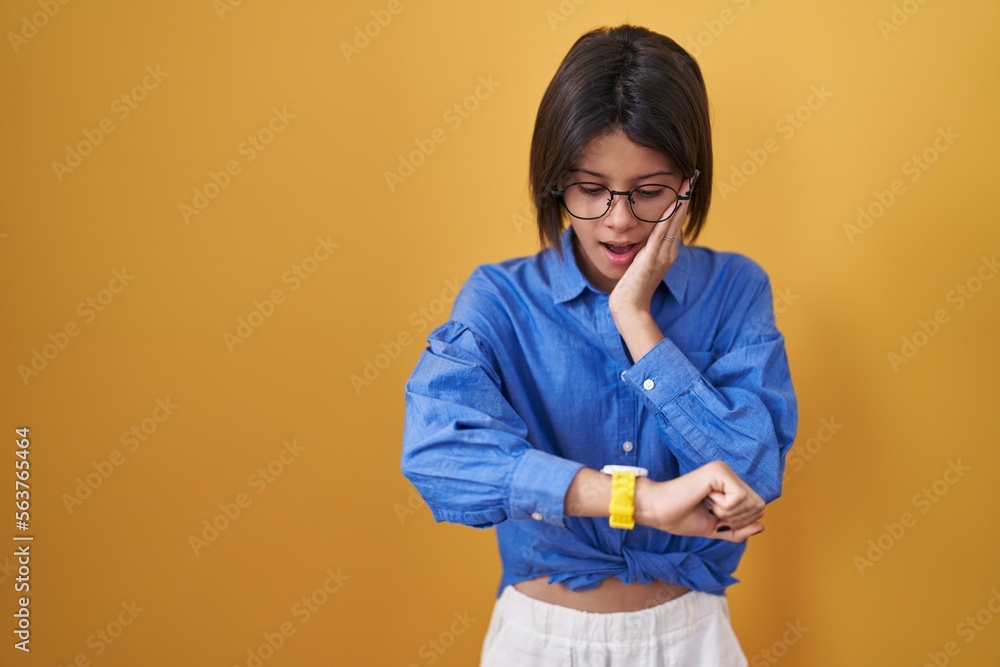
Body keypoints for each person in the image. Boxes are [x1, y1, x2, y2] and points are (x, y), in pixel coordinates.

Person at [401, 24, 797, 666]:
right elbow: (439, 457)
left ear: (689, 184)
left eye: (648, 192)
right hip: (539, 642)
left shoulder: (734, 289)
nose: (618, 220)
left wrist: (636, 318)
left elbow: (751, 473)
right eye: (590, 189)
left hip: (692, 640)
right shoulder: (501, 300)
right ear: (555, 182)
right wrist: (637, 500)